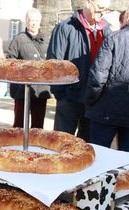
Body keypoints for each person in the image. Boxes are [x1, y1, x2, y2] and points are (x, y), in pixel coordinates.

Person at [85, 1, 129, 152]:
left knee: (97, 156)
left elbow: (98, 76)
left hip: (106, 109)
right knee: (127, 159)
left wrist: (90, 101)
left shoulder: (114, 38)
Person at [47, 0, 111, 141]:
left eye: (106, 9)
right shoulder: (65, 27)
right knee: (62, 143)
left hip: (94, 99)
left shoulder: (106, 29)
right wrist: (61, 95)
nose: (103, 13)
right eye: (100, 8)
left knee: (86, 145)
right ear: (88, 2)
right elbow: (54, 64)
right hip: (69, 98)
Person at [6, 8, 50, 129]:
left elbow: (51, 62)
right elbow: (10, 60)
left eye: (36, 20)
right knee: (19, 125)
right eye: (31, 20)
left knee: (38, 126)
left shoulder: (46, 40)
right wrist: (23, 70)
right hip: (21, 89)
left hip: (40, 90)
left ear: (39, 22)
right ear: (26, 21)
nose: (33, 23)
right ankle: (17, 146)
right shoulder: (18, 39)